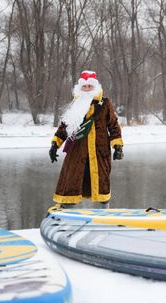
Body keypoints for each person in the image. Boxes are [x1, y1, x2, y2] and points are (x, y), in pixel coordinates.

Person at [49, 71, 123, 209]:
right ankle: (67, 211)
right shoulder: (76, 104)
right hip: (77, 151)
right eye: (85, 86)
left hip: (99, 152)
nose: (87, 89)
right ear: (80, 88)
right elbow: (64, 126)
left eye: (90, 86)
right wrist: (55, 145)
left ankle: (105, 214)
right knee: (71, 180)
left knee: (101, 182)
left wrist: (118, 147)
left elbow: (113, 125)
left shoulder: (105, 104)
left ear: (95, 87)